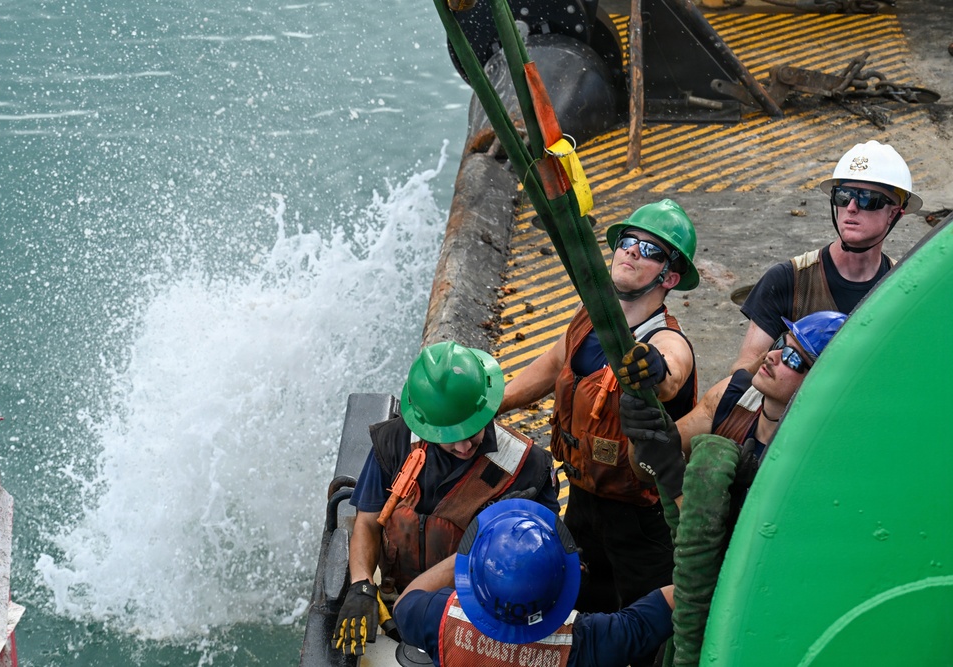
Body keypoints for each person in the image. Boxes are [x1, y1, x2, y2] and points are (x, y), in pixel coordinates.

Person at [498, 199, 699, 618]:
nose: (631, 251)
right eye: (628, 241)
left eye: (650, 250)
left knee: (647, 628)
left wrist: (655, 368)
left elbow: (672, 373)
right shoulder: (589, 319)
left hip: (642, 521)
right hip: (584, 500)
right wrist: (493, 403)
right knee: (578, 612)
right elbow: (554, 363)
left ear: (671, 276)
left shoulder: (665, 341)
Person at [334, 341, 560, 657]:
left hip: (474, 620)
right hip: (397, 598)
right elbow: (368, 522)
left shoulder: (528, 469)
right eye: (450, 438)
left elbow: (544, 566)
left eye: (473, 429)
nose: (465, 446)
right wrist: (361, 585)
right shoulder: (395, 442)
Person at [393, 499, 675, 667]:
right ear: (569, 578)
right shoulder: (586, 643)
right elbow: (670, 602)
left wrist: (471, 554)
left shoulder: (438, 616)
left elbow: (406, 600)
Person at [621, 310, 848, 510]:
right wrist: (641, 435)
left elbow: (721, 545)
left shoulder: (817, 460)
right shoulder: (732, 396)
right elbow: (645, 472)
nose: (771, 356)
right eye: (780, 344)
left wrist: (672, 475)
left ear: (821, 383)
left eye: (792, 358)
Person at [732, 140, 921, 373]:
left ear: (894, 213)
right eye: (843, 195)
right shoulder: (788, 280)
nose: (851, 207)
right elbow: (740, 374)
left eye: (867, 199)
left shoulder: (904, 291)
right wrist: (788, 355)